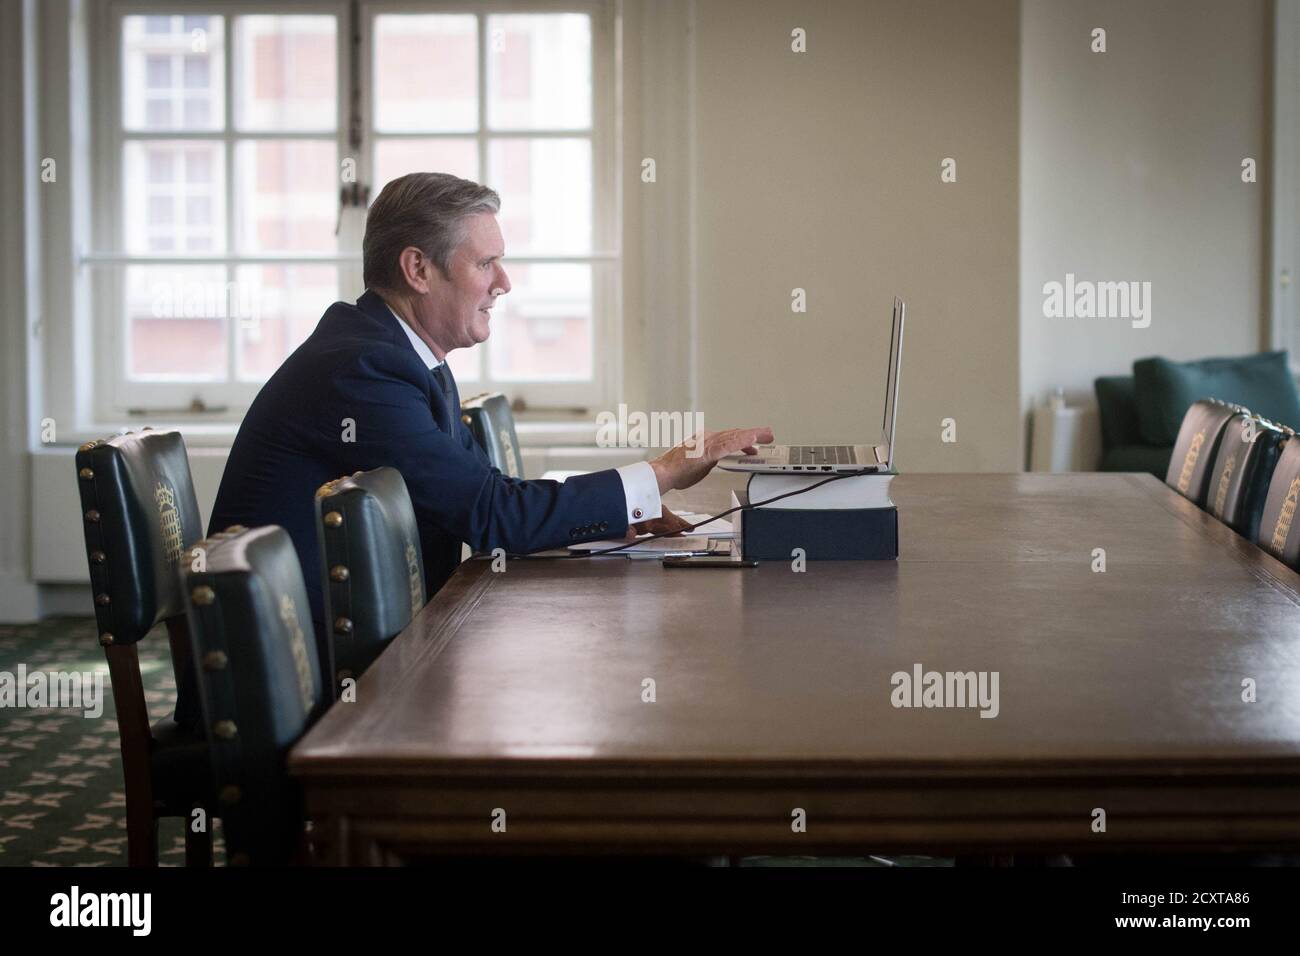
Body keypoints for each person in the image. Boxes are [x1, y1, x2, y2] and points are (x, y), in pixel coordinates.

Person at [184, 172, 770, 727]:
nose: (504, 282)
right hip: (294, 675)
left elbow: (488, 498)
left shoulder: (405, 355)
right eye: (486, 262)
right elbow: (492, 514)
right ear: (417, 267)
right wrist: (661, 474)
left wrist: (622, 514)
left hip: (346, 642)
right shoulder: (363, 367)